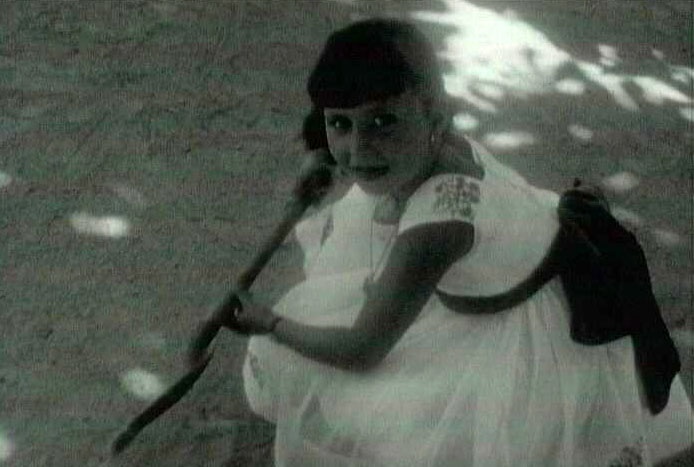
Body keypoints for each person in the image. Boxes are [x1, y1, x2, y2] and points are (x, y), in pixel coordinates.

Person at [223, 19, 693, 466]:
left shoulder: (439, 223)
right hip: (507, 261)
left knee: (382, 404)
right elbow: (362, 144)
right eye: (341, 124)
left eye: (382, 122)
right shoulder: (439, 144)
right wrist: (328, 162)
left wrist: (271, 324)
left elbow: (362, 350)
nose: (359, 149)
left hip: (520, 335)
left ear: (435, 117)